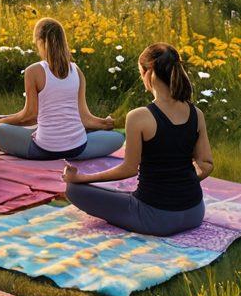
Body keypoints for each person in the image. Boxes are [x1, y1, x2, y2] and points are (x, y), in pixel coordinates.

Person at [63, 43, 213, 236]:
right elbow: (207, 164)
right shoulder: (196, 113)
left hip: (157, 219)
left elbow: (128, 169)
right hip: (194, 213)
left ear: (148, 71)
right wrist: (182, 183)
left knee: (74, 190)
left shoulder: (138, 117)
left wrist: (81, 178)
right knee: (124, 196)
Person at [0, 17, 123, 160]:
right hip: (77, 149)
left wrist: (3, 122)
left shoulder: (33, 71)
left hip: (44, 150)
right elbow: (85, 118)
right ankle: (73, 148)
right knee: (117, 138)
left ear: (41, 41)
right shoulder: (77, 71)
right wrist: (104, 123)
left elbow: (30, 117)